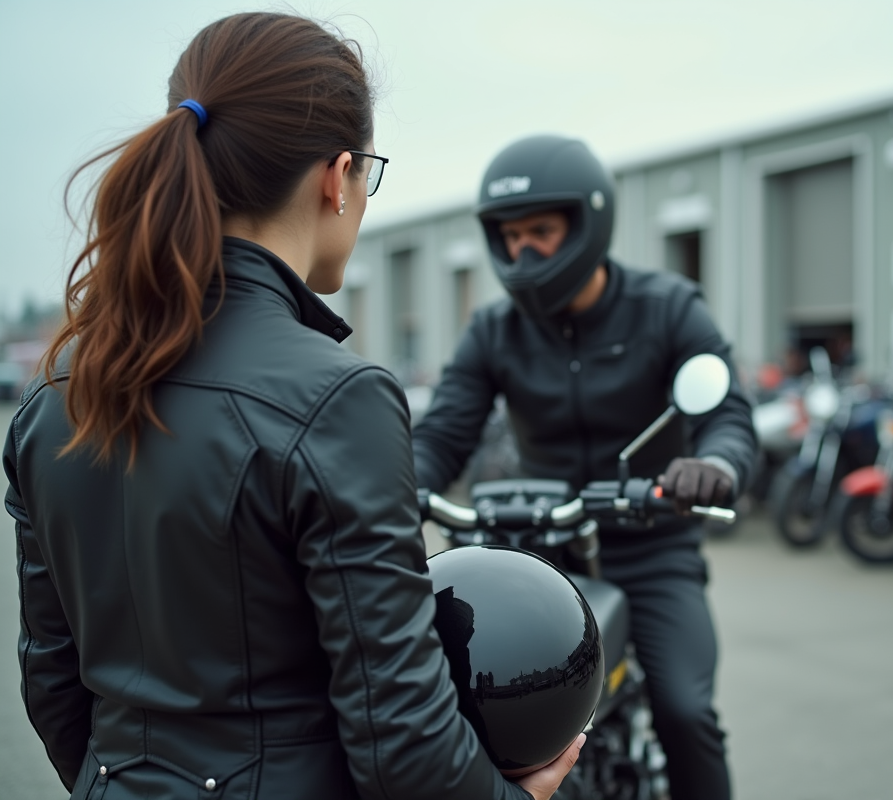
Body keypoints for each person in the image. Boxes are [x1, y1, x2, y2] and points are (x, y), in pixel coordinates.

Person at [2, 14, 579, 800]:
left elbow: (52, 679)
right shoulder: (337, 396)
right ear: (337, 177)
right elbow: (402, 735)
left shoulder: (58, 388)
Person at [412, 134, 757, 800]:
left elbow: (728, 415)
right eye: (511, 236)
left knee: (687, 713)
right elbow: (444, 431)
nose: (524, 251)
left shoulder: (667, 306)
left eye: (541, 230)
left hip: (650, 545)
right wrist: (403, 482)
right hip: (536, 552)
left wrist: (713, 462)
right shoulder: (493, 331)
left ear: (588, 222)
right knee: (463, 702)